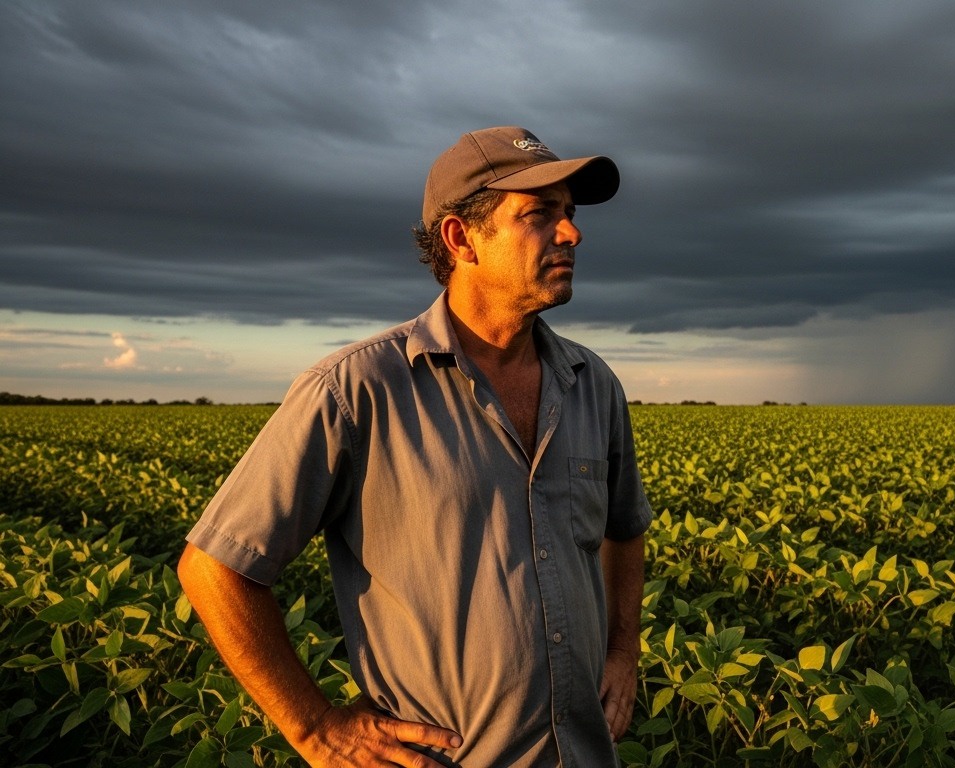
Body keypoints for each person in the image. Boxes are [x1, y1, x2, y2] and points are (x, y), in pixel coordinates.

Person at [178, 126, 652, 767]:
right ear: (461, 239)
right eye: (539, 215)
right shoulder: (355, 390)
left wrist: (623, 650)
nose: (571, 234)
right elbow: (215, 568)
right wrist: (316, 727)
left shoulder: (593, 384)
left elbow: (625, 529)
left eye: (569, 214)